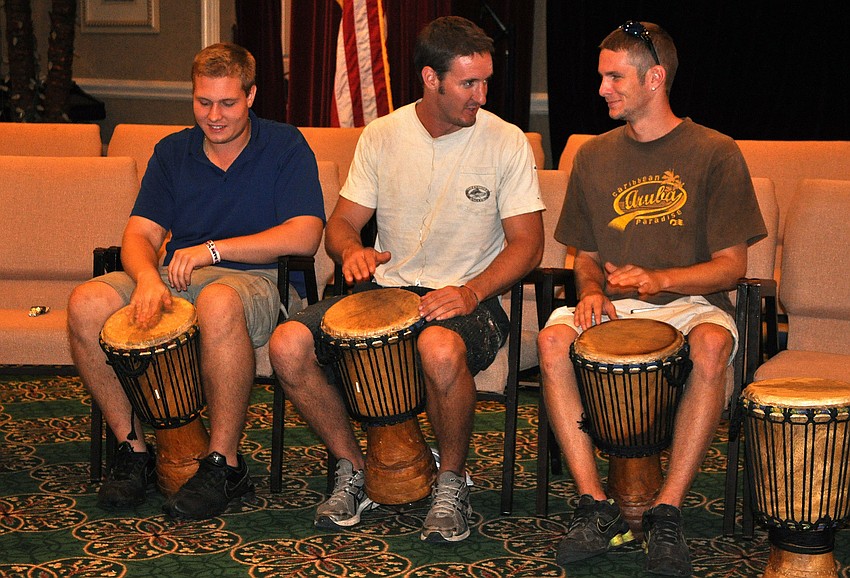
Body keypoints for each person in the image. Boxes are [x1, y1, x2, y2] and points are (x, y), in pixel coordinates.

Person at [269, 16, 544, 544]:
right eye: (469, 83)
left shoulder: (505, 141)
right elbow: (341, 225)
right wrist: (351, 251)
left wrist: (471, 291)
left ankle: (451, 480)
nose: (481, 96)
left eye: (485, 82)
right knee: (287, 344)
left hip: (470, 299)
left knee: (438, 348)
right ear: (430, 78)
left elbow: (528, 244)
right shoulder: (383, 135)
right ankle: (354, 469)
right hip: (386, 292)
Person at [537, 21, 766, 577]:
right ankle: (594, 505)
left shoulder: (715, 152)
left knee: (712, 346)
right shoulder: (592, 155)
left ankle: (668, 511)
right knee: (550, 340)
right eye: (601, 77)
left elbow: (732, 267)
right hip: (615, 303)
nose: (602, 89)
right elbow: (583, 255)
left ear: (655, 78)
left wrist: (660, 278)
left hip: (691, 303)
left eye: (615, 77)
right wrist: (591, 290)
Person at [67, 43, 325, 521]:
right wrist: (147, 278)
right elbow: (140, 235)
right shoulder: (173, 152)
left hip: (258, 279)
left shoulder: (285, 145)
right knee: (86, 301)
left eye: (227, 103)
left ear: (251, 96)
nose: (214, 116)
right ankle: (133, 451)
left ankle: (223, 464)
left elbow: (305, 234)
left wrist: (214, 250)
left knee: (219, 300)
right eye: (203, 102)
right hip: (177, 276)